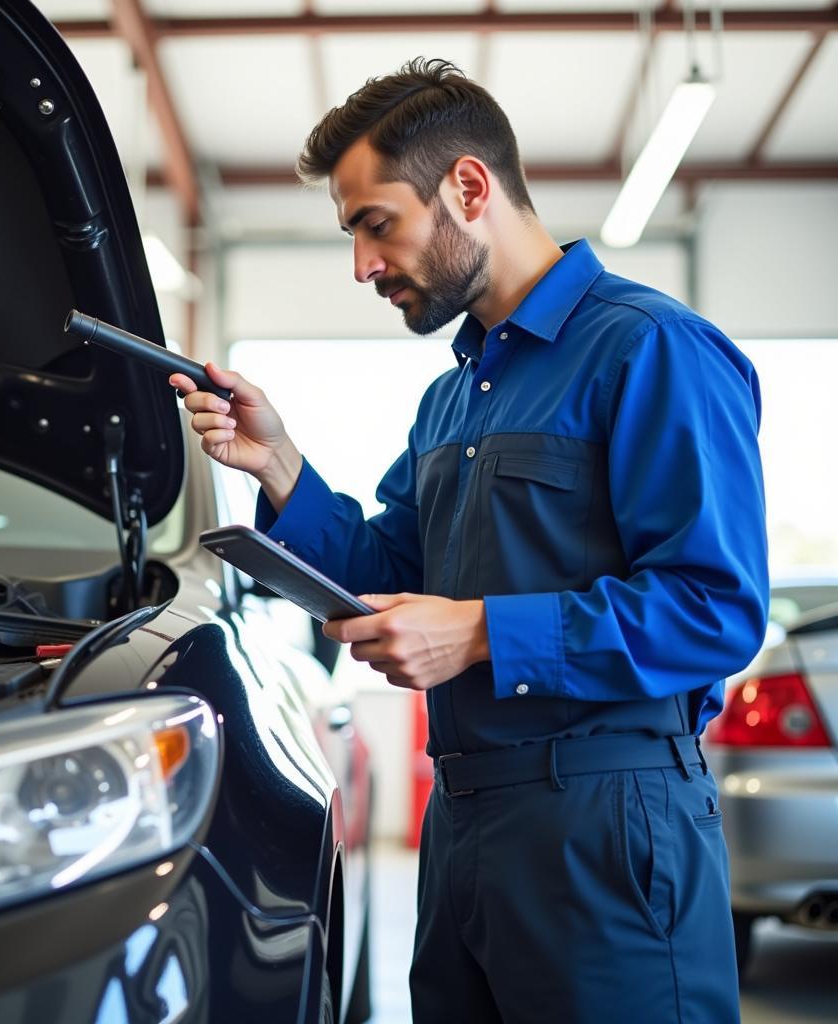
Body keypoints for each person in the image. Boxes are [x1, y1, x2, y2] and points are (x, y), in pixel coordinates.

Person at [170, 58, 768, 1024]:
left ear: (469, 188)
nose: (362, 265)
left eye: (376, 224)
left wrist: (482, 633)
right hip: (462, 828)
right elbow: (388, 577)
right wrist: (278, 466)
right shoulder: (451, 400)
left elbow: (717, 610)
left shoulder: (651, 350)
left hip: (609, 826)